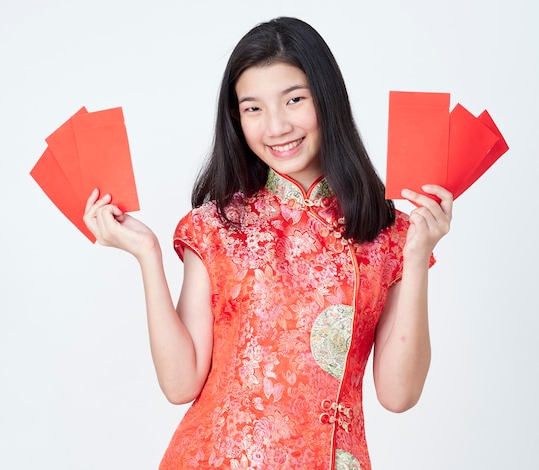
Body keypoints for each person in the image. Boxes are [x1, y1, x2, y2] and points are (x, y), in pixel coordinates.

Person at [84, 16, 452, 470]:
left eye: (294, 99)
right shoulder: (217, 227)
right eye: (253, 108)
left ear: (328, 99)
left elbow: (399, 395)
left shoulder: (387, 233)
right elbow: (180, 386)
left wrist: (416, 258)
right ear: (236, 118)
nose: (276, 126)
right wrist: (147, 256)